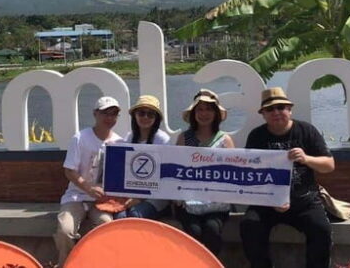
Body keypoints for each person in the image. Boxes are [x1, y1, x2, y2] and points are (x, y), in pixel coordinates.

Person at [240, 87, 335, 268]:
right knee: (249, 225)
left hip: (304, 201)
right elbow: (250, 174)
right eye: (270, 109)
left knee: (321, 230)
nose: (276, 112)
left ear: (289, 110)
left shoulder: (307, 131)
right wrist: (271, 199)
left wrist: (307, 159)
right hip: (266, 204)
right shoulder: (256, 136)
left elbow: (329, 165)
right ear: (263, 114)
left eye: (281, 107)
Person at [53, 96, 123, 266]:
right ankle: (66, 263)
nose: (110, 118)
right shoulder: (80, 138)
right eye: (105, 113)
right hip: (76, 197)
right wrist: (88, 187)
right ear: (95, 114)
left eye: (114, 114)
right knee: (65, 230)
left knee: (106, 226)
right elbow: (69, 170)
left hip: (102, 200)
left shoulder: (120, 142)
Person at [175, 88, 235, 256]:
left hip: (216, 203)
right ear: (194, 113)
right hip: (188, 203)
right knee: (193, 232)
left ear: (215, 113)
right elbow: (176, 170)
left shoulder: (225, 140)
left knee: (212, 229)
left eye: (209, 109)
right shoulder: (184, 138)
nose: (204, 113)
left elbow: (233, 174)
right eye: (200, 109)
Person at [113, 95, 171, 220]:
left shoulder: (162, 140)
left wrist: (140, 198)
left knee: (135, 215)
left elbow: (164, 176)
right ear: (135, 115)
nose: (145, 117)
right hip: (131, 195)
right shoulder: (129, 138)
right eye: (141, 113)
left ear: (156, 119)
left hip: (156, 197)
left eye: (150, 114)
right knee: (120, 216)